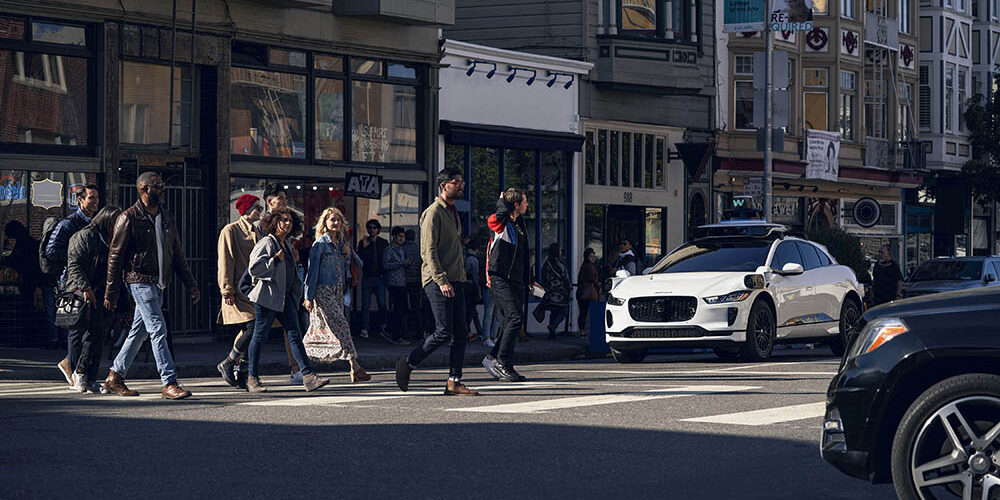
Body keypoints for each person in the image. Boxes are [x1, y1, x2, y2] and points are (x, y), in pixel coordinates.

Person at [103, 172, 199, 400]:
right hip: (139, 280)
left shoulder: (166, 217)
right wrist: (111, 291)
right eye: (158, 186)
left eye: (163, 185)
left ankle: (115, 375)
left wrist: (191, 284)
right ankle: (169, 382)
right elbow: (114, 257)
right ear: (144, 189)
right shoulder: (128, 218)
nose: (163, 189)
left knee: (139, 332)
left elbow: (177, 254)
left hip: (159, 283)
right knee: (158, 329)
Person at [394, 168, 478, 396]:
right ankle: (408, 363)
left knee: (461, 332)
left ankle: (454, 381)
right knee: (443, 331)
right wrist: (441, 280)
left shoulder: (453, 212)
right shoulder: (433, 213)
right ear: (443, 186)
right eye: (456, 182)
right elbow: (427, 251)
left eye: (462, 181)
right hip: (437, 280)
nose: (461, 185)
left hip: (457, 279)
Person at [246, 208, 329, 393]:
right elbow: (254, 268)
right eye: (283, 220)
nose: (287, 223)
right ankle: (252, 378)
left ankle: (308, 376)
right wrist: (274, 260)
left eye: (290, 221)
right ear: (274, 222)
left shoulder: (288, 245)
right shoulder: (267, 242)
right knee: (260, 336)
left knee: (294, 335)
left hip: (285, 298)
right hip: (267, 298)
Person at [302, 207, 370, 382]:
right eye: (332, 219)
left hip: (338, 290)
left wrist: (347, 255)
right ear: (325, 222)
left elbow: (354, 266)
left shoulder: (341, 244)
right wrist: (308, 296)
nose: (336, 223)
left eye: (338, 220)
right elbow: (312, 271)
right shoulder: (320, 245)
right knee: (342, 325)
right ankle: (355, 367)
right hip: (323, 290)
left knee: (334, 329)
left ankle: (300, 361)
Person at [483, 188, 540, 383]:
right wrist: (502, 202)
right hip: (500, 278)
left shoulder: (519, 224)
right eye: (524, 202)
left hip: (516, 280)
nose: (527, 205)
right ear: (515, 205)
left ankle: (492, 358)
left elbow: (524, 255)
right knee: (515, 318)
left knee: (509, 322)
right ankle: (502, 362)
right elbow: (497, 216)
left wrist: (530, 279)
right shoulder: (500, 223)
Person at [62, 205, 121, 393]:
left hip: (101, 292)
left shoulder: (112, 240)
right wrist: (85, 288)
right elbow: (74, 264)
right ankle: (79, 373)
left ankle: (90, 376)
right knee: (86, 334)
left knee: (99, 334)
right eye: (115, 222)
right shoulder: (85, 236)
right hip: (83, 292)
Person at [258, 183, 306, 383]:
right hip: (265, 286)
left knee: (292, 330)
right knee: (255, 332)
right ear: (270, 201)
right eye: (282, 198)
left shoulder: (288, 221)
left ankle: (299, 370)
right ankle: (241, 365)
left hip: (285, 285)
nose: (286, 202)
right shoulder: (260, 225)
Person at [214, 194, 263, 390]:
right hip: (238, 289)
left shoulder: (259, 232)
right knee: (253, 327)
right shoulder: (231, 230)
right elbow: (225, 259)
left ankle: (243, 374)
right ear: (246, 209)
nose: (260, 210)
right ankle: (228, 361)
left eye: (260, 207)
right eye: (257, 207)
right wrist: (226, 289)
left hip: (256, 290)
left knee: (252, 330)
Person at [44, 185, 101, 353]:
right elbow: (51, 251)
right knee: (76, 328)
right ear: (80, 200)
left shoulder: (95, 223)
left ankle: (78, 368)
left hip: (91, 280)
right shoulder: (69, 224)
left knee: (89, 329)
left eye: (97, 198)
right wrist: (75, 256)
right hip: (72, 282)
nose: (95, 201)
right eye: (91, 197)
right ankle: (72, 365)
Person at [357, 218, 389, 338]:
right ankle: (365, 328)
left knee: (382, 302)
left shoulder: (383, 243)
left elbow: (386, 258)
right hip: (368, 277)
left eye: (374, 228)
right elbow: (359, 259)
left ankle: (383, 325)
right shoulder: (364, 242)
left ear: (378, 229)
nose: (372, 230)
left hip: (380, 277)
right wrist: (364, 247)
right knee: (366, 304)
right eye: (370, 228)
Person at [537, 243, 572, 339]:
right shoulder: (560, 264)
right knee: (563, 311)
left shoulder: (546, 263)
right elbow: (566, 278)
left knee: (554, 311)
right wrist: (569, 289)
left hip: (549, 293)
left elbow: (543, 277)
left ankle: (552, 333)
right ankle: (553, 326)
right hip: (560, 293)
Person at [383, 226, 410, 344]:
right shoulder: (389, 249)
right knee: (398, 309)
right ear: (393, 236)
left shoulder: (402, 250)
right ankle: (395, 335)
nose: (401, 239)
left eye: (403, 237)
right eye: (399, 236)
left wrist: (406, 264)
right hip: (394, 282)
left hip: (402, 282)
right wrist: (401, 263)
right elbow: (385, 265)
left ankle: (390, 330)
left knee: (403, 309)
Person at [401, 229, 423, 341]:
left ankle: (405, 331)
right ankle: (419, 331)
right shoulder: (418, 249)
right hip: (416, 280)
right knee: (416, 306)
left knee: (403, 306)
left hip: (405, 280)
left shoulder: (403, 248)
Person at [576, 248, 601, 338]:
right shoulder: (590, 267)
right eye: (591, 256)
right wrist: (598, 285)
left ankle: (582, 331)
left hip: (581, 291)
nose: (593, 258)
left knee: (583, 312)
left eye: (593, 256)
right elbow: (593, 279)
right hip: (588, 292)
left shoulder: (584, 266)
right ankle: (585, 331)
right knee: (586, 312)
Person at [463, 238, 484, 341]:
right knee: (470, 311)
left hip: (463, 286)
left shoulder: (464, 256)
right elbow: (475, 277)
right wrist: (478, 290)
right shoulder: (473, 259)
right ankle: (467, 333)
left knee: (471, 311)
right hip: (471, 287)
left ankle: (479, 331)